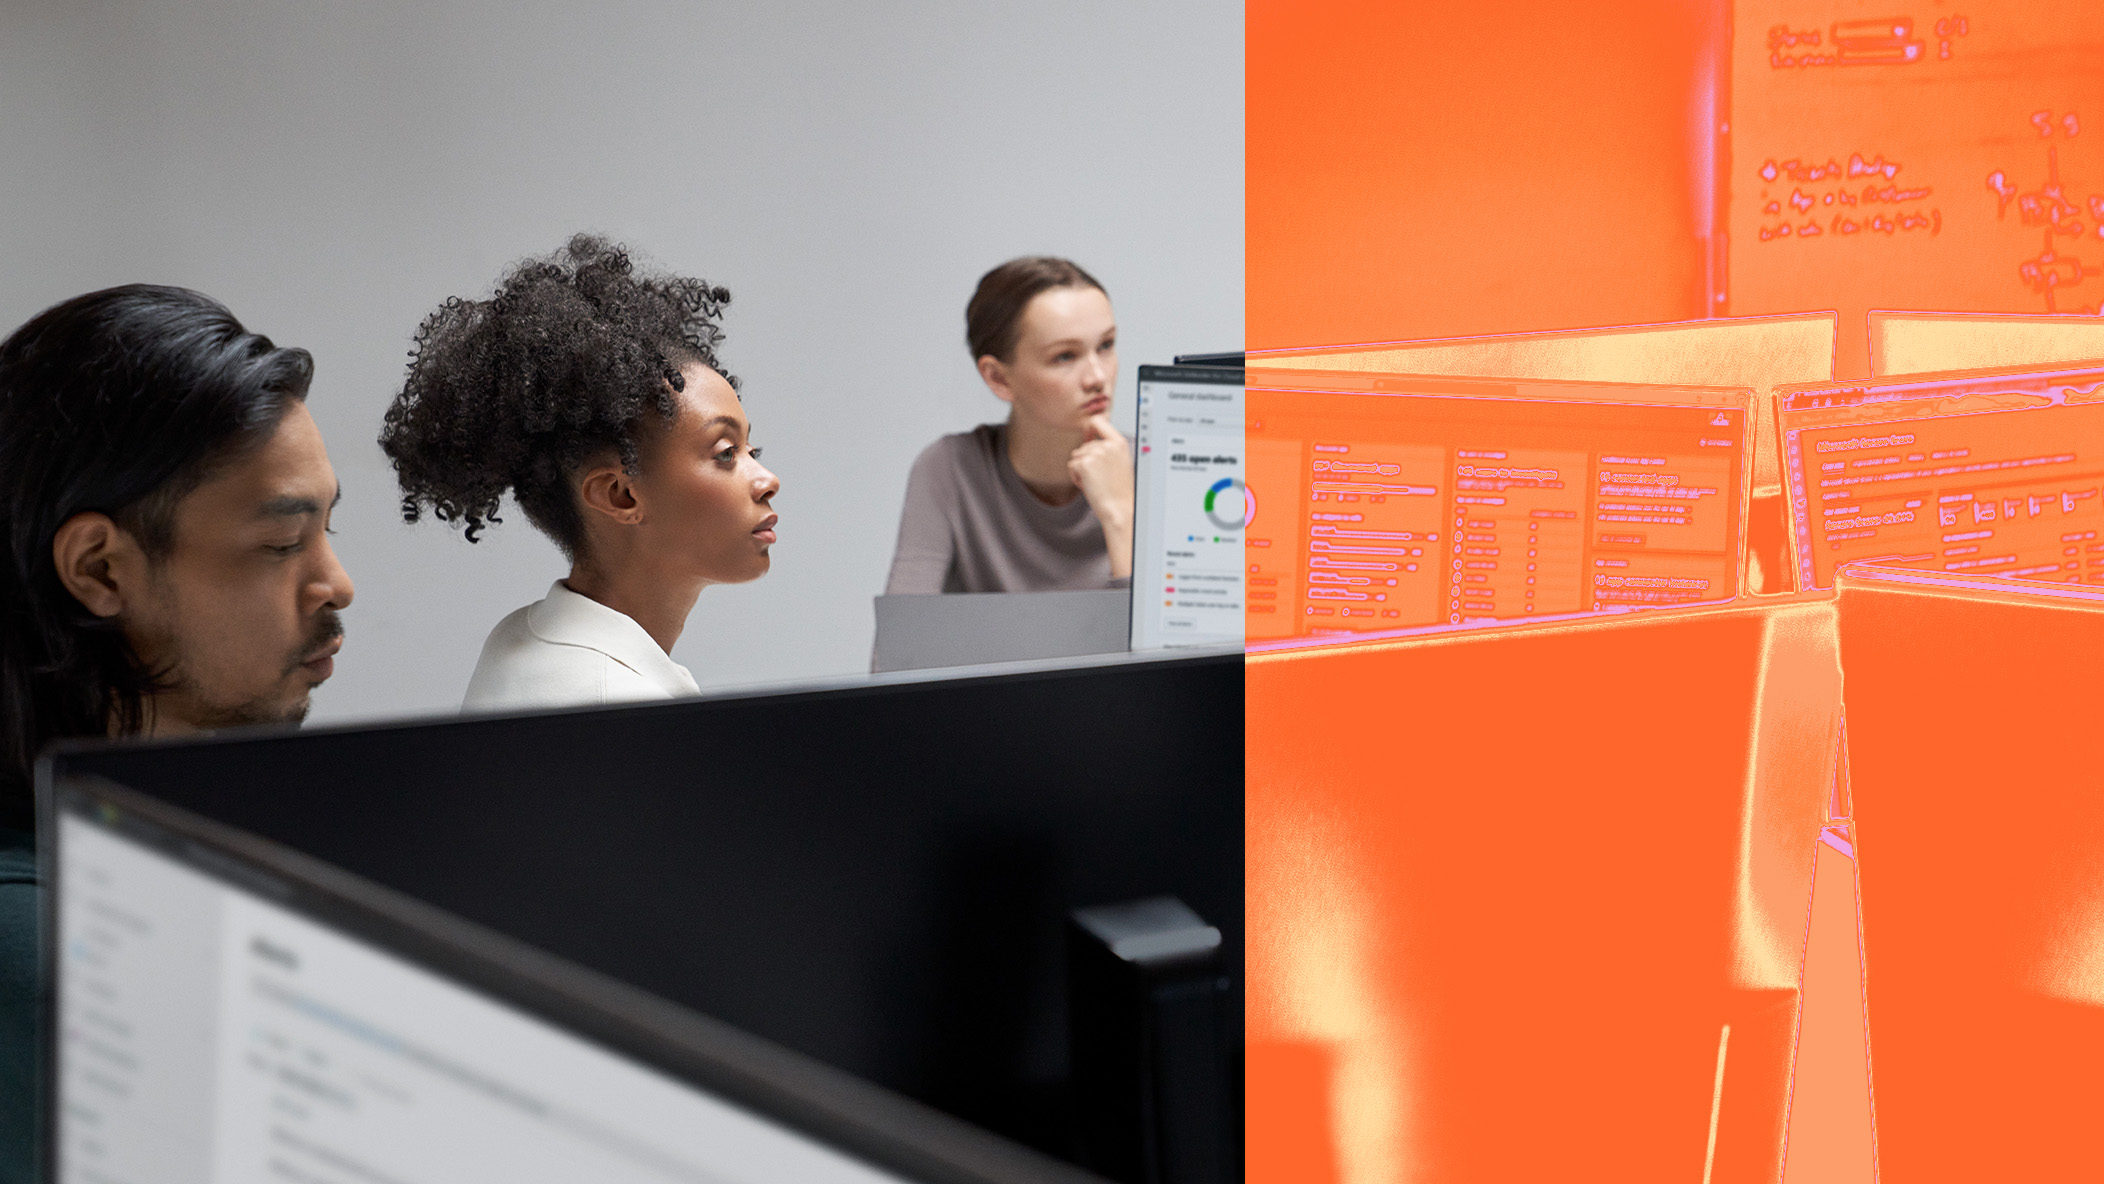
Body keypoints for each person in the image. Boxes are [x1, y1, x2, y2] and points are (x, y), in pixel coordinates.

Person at [0, 285, 353, 1184]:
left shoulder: (149, 864)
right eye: (282, 545)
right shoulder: (46, 962)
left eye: (328, 528)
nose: (337, 583)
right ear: (100, 570)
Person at [380, 235, 779, 713]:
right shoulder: (616, 707)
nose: (768, 480)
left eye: (752, 449)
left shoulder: (522, 637)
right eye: (726, 452)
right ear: (621, 495)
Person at [885, 257, 1132, 594]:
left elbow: (1171, 630)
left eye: (1106, 345)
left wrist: (1121, 516)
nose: (1098, 377)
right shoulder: (950, 468)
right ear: (998, 378)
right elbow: (904, 626)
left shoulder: (1159, 468)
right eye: (1065, 356)